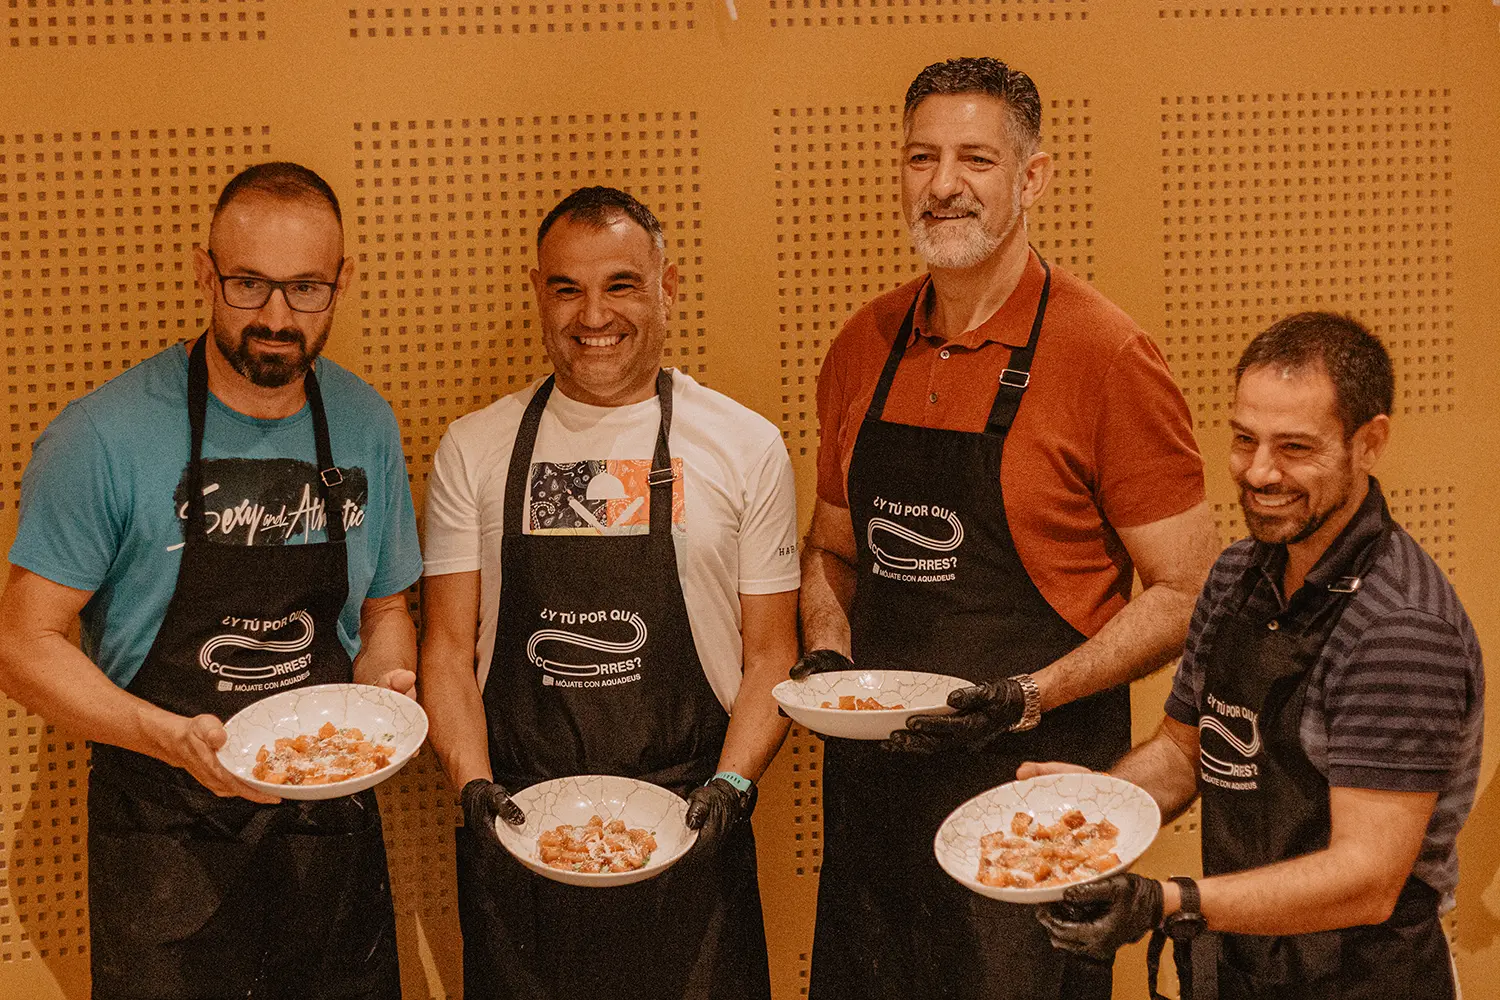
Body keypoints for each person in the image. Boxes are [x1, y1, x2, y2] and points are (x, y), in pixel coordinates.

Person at [795, 56, 1223, 1000]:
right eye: (921, 157)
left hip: (1030, 795)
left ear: (1032, 178)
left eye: (975, 160)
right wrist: (826, 658)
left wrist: (1031, 692)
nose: (943, 185)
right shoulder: (863, 344)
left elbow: (1193, 591)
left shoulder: (1106, 355)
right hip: (875, 798)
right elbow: (832, 550)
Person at [0, 162, 423, 999]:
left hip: (327, 832)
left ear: (343, 282)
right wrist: (166, 736)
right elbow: (23, 646)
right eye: (248, 285)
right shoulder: (102, 436)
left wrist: (383, 685)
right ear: (205, 274)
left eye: (305, 288)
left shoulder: (365, 421)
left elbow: (386, 608)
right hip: (164, 833)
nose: (276, 317)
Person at [419, 186, 800, 999]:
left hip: (695, 828)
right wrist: (471, 787)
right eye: (567, 288)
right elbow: (446, 651)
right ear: (539, 293)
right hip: (521, 838)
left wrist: (732, 788)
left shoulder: (746, 445)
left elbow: (773, 653)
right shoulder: (475, 449)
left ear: (668, 287)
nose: (593, 314)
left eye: (621, 284)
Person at [1033, 312, 1483, 1000]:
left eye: (1295, 447)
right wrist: (1094, 810)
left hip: (1362, 979)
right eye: (1245, 440)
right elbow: (1186, 752)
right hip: (1246, 971)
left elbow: (1367, 879)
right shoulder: (1237, 573)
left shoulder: (1400, 629)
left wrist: (1166, 901)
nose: (1260, 472)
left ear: (1370, 443)